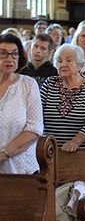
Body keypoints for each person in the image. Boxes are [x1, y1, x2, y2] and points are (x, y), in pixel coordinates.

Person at [41, 44, 85, 151]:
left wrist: (75, 142)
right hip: (50, 151)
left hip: (82, 152)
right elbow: (36, 113)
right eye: (59, 61)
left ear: (79, 65)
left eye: (69, 60)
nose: (63, 64)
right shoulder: (49, 83)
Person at [0, 34, 43, 174]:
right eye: (3, 54)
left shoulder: (28, 84)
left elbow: (34, 128)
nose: (9, 58)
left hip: (22, 167)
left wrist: (4, 153)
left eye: (14, 54)